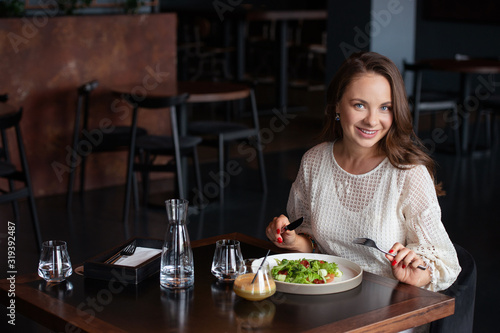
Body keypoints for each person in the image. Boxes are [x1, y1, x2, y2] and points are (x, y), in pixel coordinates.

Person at [265, 52, 460, 293]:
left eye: (385, 108)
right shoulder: (314, 161)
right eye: (359, 105)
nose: (372, 120)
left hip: (387, 309)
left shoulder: (408, 173)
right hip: (325, 297)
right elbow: (315, 246)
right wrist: (294, 240)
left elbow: (445, 265)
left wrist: (416, 273)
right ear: (337, 105)